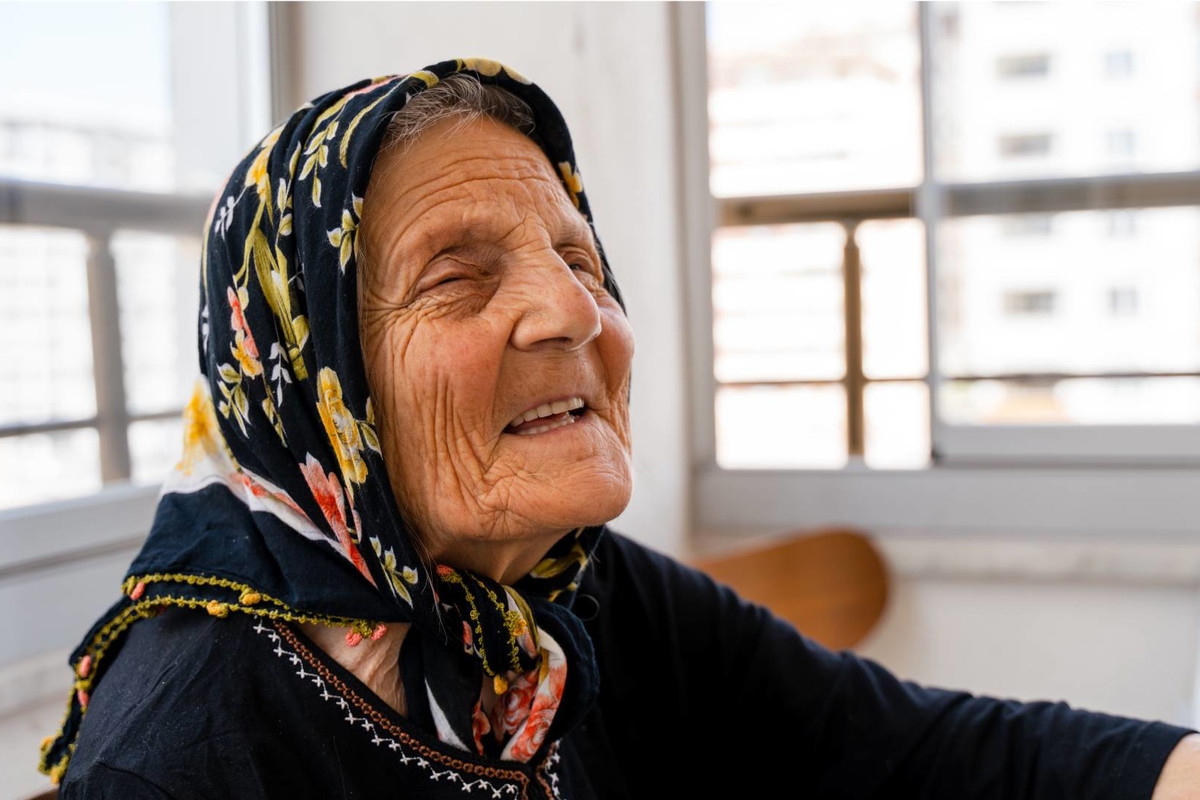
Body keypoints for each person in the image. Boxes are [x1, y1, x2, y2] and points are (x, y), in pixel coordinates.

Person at [40, 58, 1200, 799]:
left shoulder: (562, 598)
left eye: (580, 258)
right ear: (312, 382)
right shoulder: (186, 753)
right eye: (457, 276)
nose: (573, 312)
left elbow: (908, 750)